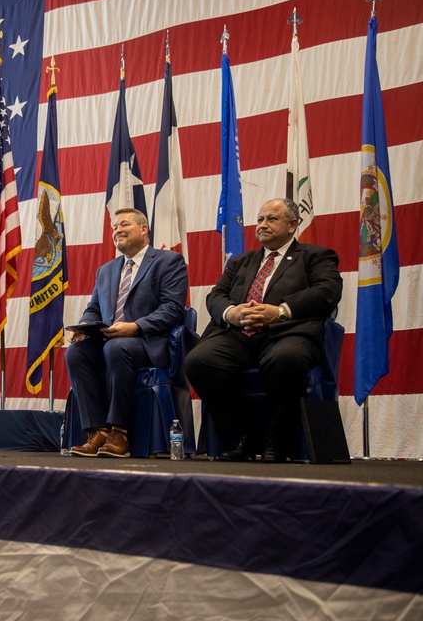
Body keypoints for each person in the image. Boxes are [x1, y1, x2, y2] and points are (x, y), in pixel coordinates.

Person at [184, 198, 342, 462]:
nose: (262, 225)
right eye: (260, 220)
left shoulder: (315, 256)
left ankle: (277, 438)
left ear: (292, 225)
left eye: (271, 219)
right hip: (239, 333)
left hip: (287, 333)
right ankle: (241, 434)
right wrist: (230, 313)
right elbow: (216, 295)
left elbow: (327, 292)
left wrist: (279, 311)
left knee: (286, 359)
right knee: (198, 361)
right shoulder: (240, 262)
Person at [65, 208, 188, 458]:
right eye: (114, 227)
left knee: (116, 347)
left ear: (144, 229)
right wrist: (83, 327)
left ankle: (120, 432)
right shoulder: (106, 270)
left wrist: (136, 326)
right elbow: (94, 308)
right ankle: (97, 430)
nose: (117, 230)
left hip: (147, 342)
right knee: (76, 352)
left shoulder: (168, 261)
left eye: (124, 225)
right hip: (111, 341)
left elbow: (172, 309)